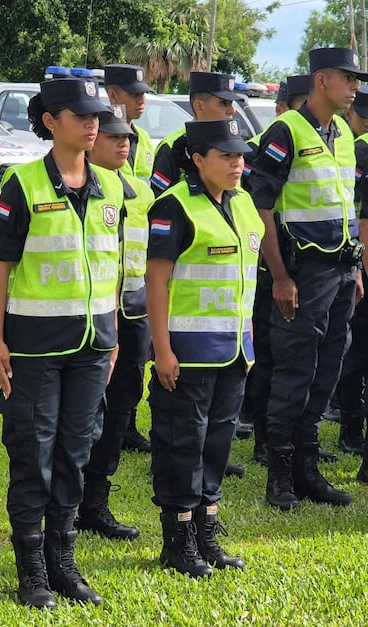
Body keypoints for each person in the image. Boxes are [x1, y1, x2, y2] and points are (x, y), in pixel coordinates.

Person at [0, 78, 120, 608]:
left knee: (75, 451)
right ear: (50, 121)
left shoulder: (112, 186)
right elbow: (0, 268)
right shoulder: (21, 183)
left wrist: (112, 336)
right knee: (33, 452)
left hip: (92, 345)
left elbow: (112, 264)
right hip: (35, 346)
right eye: (79, 115)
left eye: (96, 115)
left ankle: (64, 562)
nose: (92, 124)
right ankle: (32, 571)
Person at [250, 47, 365, 511]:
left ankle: (307, 468)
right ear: (322, 80)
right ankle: (279, 476)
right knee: (296, 368)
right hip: (303, 272)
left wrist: (355, 268)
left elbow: (345, 206)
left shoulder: (341, 133)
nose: (355, 87)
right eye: (349, 78)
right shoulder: (287, 131)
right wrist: (279, 275)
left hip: (341, 271)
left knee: (329, 367)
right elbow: (261, 206)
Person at [146, 118, 261, 578]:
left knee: (217, 445)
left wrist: (247, 343)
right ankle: (177, 542)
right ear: (198, 160)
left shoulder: (246, 204)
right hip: (187, 354)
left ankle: (206, 534)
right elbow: (156, 280)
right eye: (227, 156)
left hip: (234, 352)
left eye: (240, 155)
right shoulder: (173, 206)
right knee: (182, 446)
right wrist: (161, 349)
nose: (237, 163)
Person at [75, 104, 151, 542]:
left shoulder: (142, 191)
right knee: (84, 414)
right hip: (90, 318)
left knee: (122, 407)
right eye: (113, 136)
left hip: (134, 316)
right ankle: (68, 497)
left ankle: (96, 503)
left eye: (128, 138)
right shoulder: (77, 186)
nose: (124, 143)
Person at [241, 74, 311, 465]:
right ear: (282, 109)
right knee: (268, 355)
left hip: (298, 263)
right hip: (269, 263)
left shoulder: (329, 145)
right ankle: (264, 438)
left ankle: (290, 438)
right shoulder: (254, 151)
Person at [104, 63, 155, 452]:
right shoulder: (94, 136)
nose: (142, 100)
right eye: (134, 93)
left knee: (132, 370)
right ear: (113, 94)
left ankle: (124, 428)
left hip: (136, 285)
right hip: (102, 286)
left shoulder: (148, 143)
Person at [150, 72, 240, 197]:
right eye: (224, 103)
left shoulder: (235, 143)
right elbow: (159, 199)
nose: (232, 110)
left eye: (232, 103)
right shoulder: (172, 146)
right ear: (199, 106)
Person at [338, 86, 368, 456]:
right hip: (353, 263)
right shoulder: (358, 148)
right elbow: (361, 217)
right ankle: (350, 427)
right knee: (356, 352)